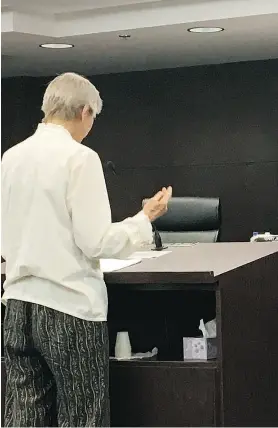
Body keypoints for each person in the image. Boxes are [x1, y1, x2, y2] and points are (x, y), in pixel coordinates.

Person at [1, 72, 173, 426]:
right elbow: (96, 241)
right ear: (84, 112)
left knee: (26, 417)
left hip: (17, 307)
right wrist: (143, 219)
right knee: (84, 417)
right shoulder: (80, 158)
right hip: (69, 309)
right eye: (93, 117)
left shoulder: (11, 158)